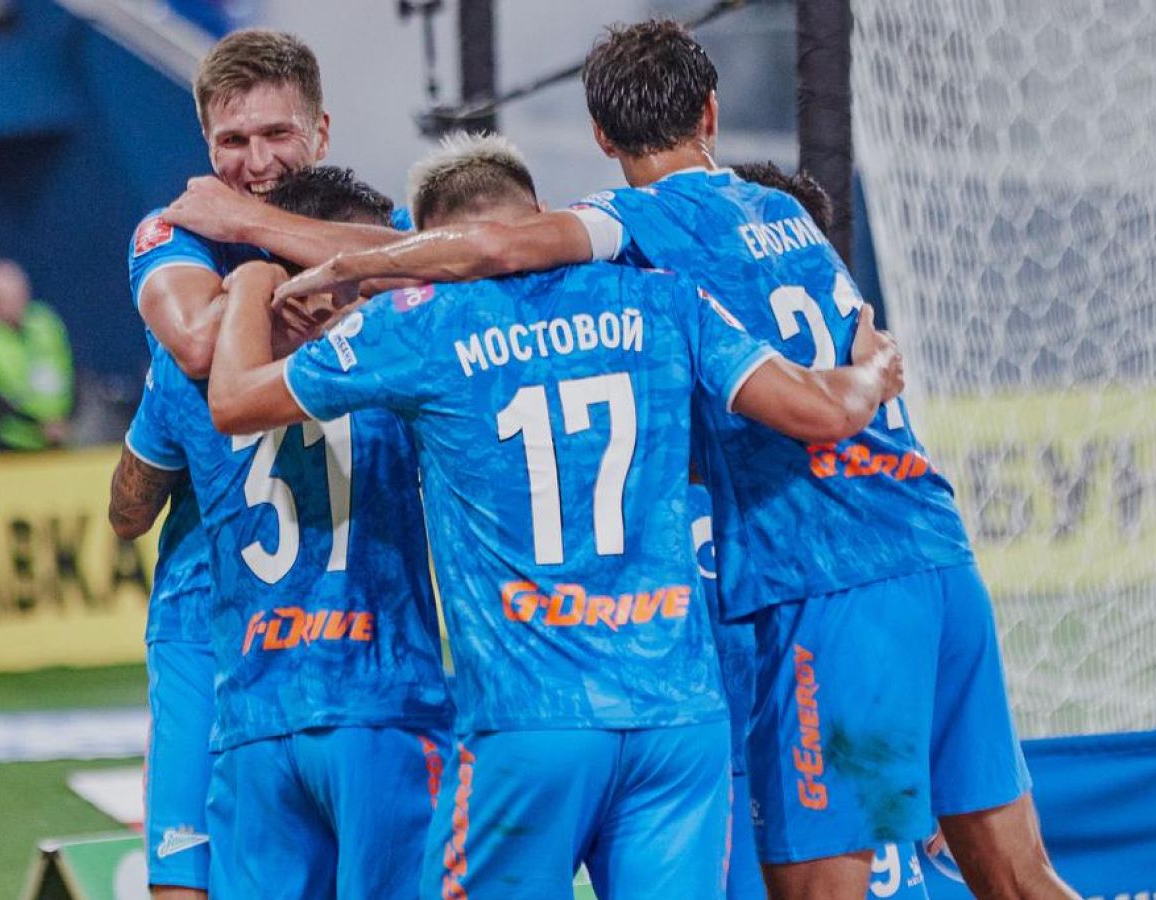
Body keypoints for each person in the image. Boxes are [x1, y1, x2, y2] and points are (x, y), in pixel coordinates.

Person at [271, 20, 1073, 900]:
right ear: (712, 113)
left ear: (601, 137)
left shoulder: (634, 223)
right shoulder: (784, 214)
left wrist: (336, 261)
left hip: (827, 577)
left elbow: (496, 247)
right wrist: (874, 374)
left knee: (817, 889)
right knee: (1019, 878)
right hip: (934, 548)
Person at [204, 133, 902, 900]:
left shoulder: (423, 321)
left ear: (431, 245)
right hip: (677, 723)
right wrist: (871, 372)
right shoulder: (662, 297)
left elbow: (234, 401)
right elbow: (800, 413)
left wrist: (252, 280)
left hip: (530, 723)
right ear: (536, 215)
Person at [111, 165, 454, 899]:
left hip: (254, 719)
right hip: (380, 701)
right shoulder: (405, 349)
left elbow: (126, 513)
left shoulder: (186, 370)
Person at [117, 28, 366, 899]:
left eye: (277, 134)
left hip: (352, 611)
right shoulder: (171, 235)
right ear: (204, 144)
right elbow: (193, 344)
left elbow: (454, 282)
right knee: (185, 881)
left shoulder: (379, 224)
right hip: (207, 613)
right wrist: (329, 276)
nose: (256, 163)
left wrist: (255, 236)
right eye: (232, 140)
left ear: (322, 132)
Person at [0, 258, 74, 452]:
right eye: (6, 298)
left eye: (20, 293)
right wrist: (38, 424)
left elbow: (70, 371)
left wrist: (66, 418)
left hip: (56, 436)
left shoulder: (44, 322)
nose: (18, 302)